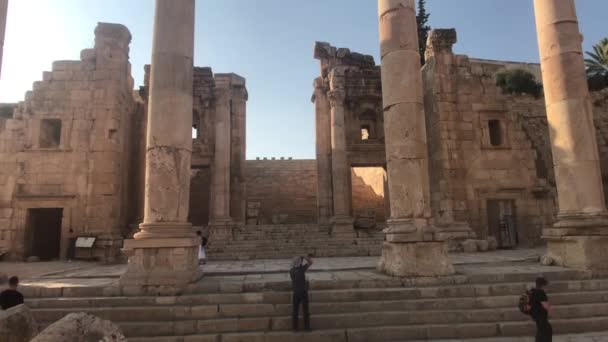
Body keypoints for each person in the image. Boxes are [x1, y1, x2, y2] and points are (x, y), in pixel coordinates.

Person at [290, 253, 314, 332]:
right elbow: (310, 262)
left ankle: (294, 328)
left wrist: (299, 259)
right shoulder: (302, 269)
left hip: (295, 293)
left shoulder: (291, 271)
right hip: (303, 293)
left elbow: (295, 266)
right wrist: (304, 257)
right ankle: (307, 328)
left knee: (295, 311)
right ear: (300, 263)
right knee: (305, 311)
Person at [530, 276, 552, 342]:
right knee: (546, 332)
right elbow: (546, 306)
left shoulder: (532, 291)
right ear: (543, 285)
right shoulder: (541, 292)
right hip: (541, 316)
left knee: (540, 332)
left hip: (535, 315)